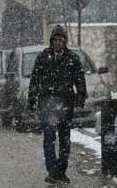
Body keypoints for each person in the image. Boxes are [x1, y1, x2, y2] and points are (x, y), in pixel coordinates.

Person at [27, 25, 87, 184]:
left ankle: (60, 171)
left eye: (61, 40)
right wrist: (31, 102)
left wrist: (80, 100)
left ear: (65, 41)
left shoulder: (72, 58)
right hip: (47, 104)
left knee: (65, 139)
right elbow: (34, 81)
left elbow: (80, 81)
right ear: (52, 41)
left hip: (65, 104)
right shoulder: (42, 57)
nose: (58, 42)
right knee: (49, 138)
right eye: (56, 39)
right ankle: (53, 170)